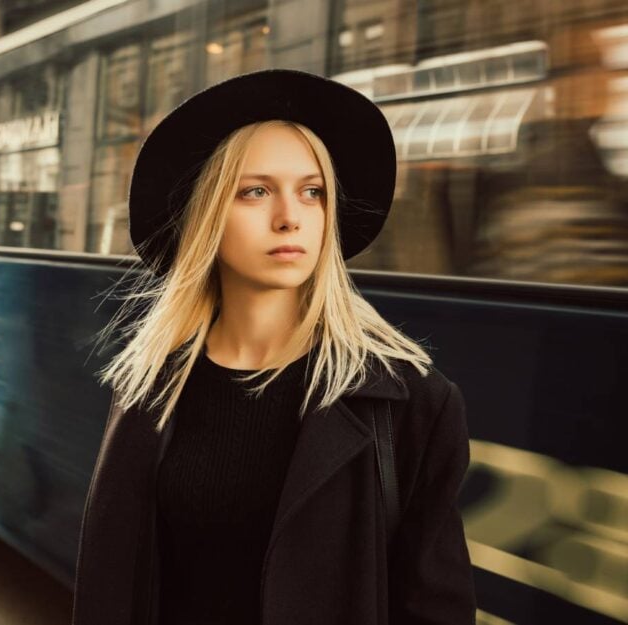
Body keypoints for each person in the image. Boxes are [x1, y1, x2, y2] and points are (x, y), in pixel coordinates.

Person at [72, 68, 475, 625]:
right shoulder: (148, 385)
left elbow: (436, 612)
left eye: (312, 193)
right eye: (255, 191)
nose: (290, 218)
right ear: (206, 213)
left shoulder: (411, 404)